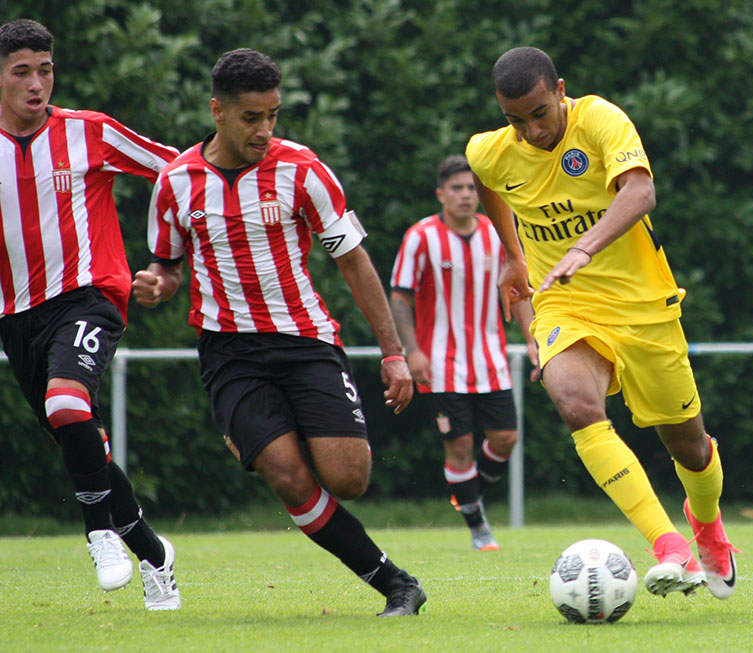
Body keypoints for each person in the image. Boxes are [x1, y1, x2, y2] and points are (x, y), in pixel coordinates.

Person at [132, 48, 426, 617]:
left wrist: (393, 354)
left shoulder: (304, 170)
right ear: (217, 111)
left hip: (305, 339)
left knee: (349, 476)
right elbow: (166, 263)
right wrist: (160, 283)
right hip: (229, 350)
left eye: (273, 115)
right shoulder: (175, 182)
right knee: (290, 479)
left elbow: (355, 261)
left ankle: (260, 430)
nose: (265, 129)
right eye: (251, 118)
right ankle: (397, 585)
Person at [465, 46, 739, 600]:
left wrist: (585, 247)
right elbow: (490, 180)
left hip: (643, 307)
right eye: (515, 120)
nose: (530, 131)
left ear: (560, 90)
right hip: (566, 306)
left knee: (690, 448)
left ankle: (707, 528)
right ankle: (668, 545)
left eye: (540, 113)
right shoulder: (490, 151)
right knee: (575, 403)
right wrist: (515, 256)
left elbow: (641, 190)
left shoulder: (599, 120)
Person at [0, 19, 181, 610]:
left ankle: (98, 534)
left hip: (91, 294)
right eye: (21, 71)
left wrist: (166, 262)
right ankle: (154, 555)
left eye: (45, 70)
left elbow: (183, 175)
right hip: (17, 316)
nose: (36, 84)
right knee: (80, 438)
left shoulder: (90, 132)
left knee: (64, 402)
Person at [389, 154, 537, 551]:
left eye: (472, 188)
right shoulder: (421, 237)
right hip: (438, 366)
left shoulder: (497, 234)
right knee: (460, 447)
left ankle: (468, 497)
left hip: (491, 361)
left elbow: (519, 292)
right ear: (441, 194)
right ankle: (478, 528)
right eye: (457, 188)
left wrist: (533, 340)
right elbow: (400, 297)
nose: (467, 195)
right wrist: (412, 352)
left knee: (506, 437)